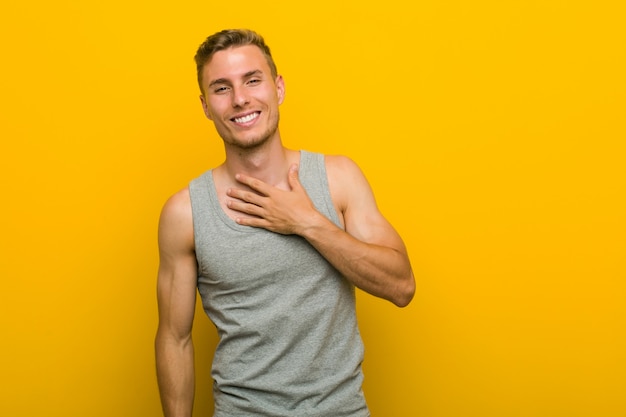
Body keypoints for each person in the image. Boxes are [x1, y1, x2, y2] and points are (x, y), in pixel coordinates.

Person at [155, 29, 415, 417]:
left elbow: (401, 286)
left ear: (278, 88)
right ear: (206, 105)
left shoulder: (337, 178)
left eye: (253, 80)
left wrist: (307, 222)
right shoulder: (185, 212)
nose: (240, 98)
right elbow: (174, 339)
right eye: (221, 88)